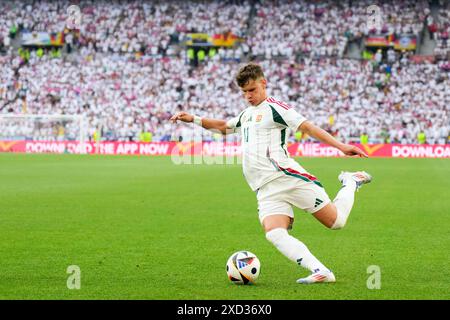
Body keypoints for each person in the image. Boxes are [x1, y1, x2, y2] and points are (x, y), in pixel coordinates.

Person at [175, 63, 373, 284]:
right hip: (265, 188)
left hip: (286, 177)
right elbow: (223, 127)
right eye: (244, 92)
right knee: (274, 233)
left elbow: (308, 127)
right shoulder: (246, 114)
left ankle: (351, 181)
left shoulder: (276, 108)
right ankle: (321, 271)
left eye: (252, 90)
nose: (248, 96)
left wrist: (342, 146)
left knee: (336, 222)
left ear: (263, 83)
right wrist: (193, 119)